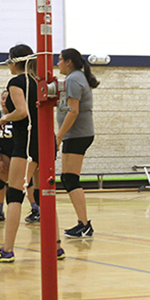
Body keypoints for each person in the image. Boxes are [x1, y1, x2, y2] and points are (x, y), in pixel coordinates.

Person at [0, 44, 64, 262]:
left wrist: (4, 118)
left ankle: (7, 250)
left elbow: (22, 112)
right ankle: (57, 247)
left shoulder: (16, 82)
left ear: (14, 60)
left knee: (14, 195)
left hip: (27, 145)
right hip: (45, 143)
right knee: (44, 195)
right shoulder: (41, 82)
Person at [56, 48, 99, 239]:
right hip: (74, 135)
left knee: (71, 179)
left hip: (78, 135)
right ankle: (82, 223)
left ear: (69, 62)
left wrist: (59, 136)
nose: (57, 63)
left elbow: (73, 111)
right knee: (67, 178)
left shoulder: (74, 79)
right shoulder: (75, 78)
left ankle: (84, 225)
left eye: (59, 60)